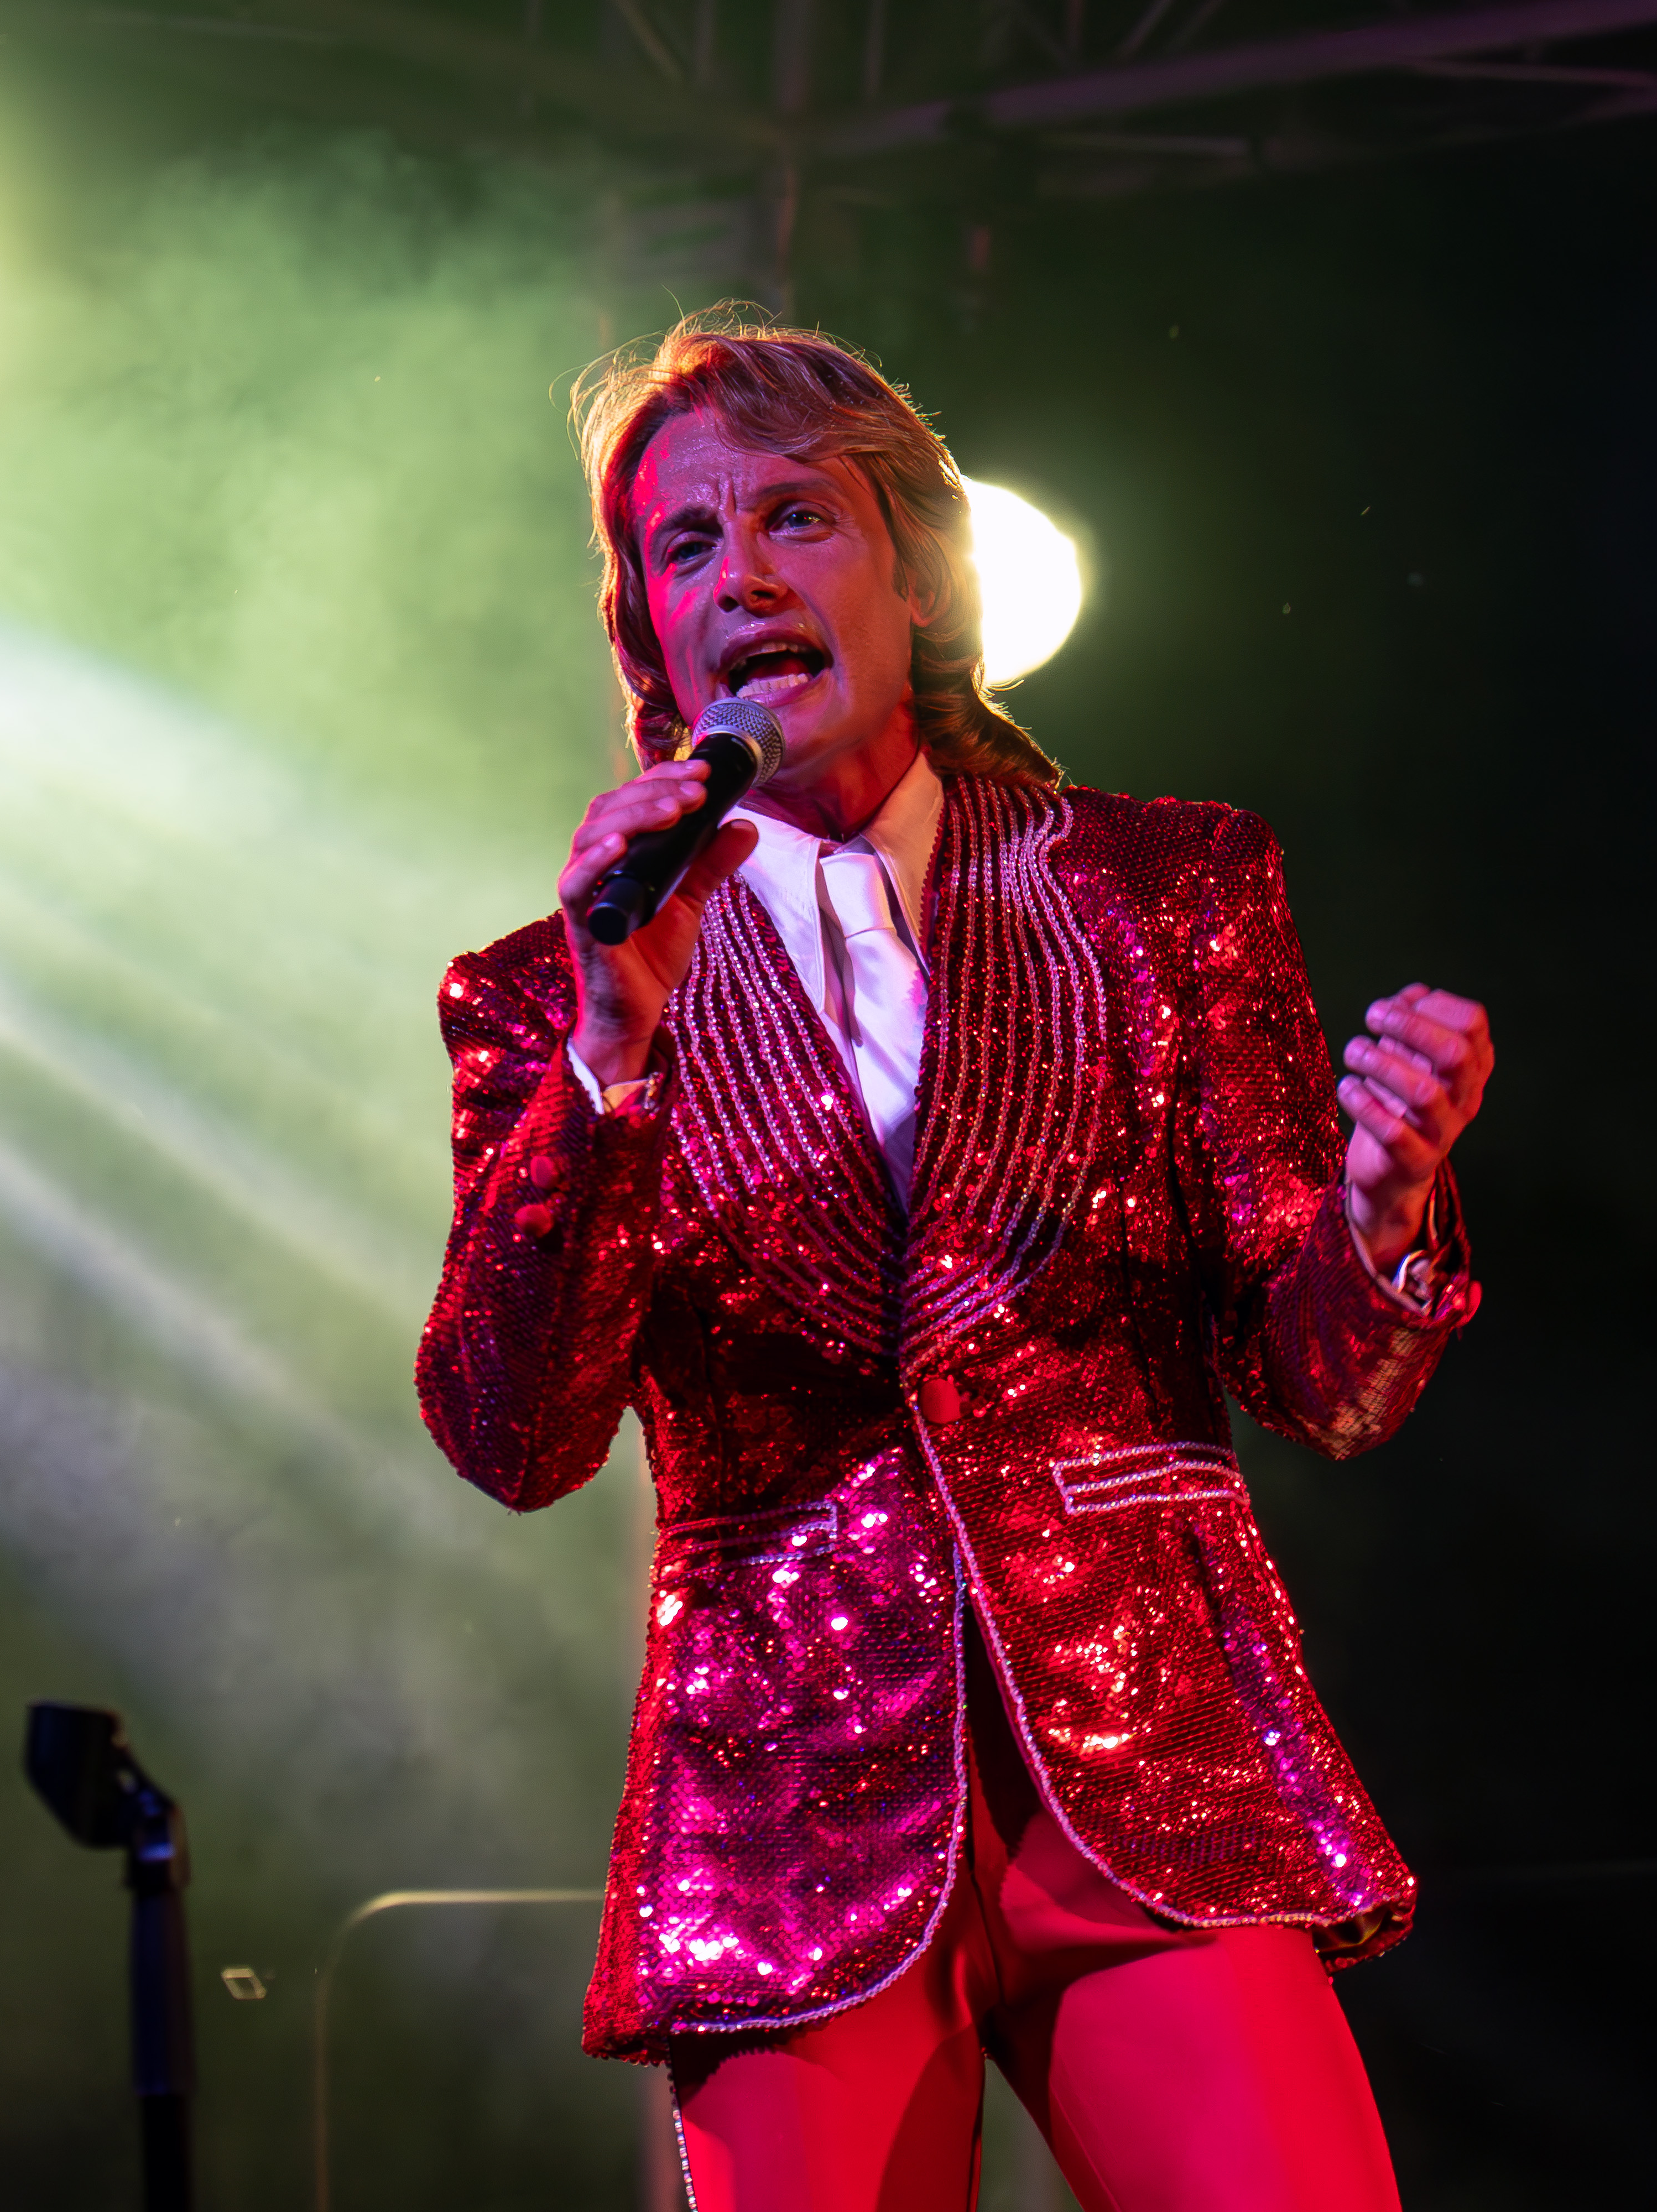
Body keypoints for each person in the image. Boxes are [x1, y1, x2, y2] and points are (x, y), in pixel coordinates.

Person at [413, 315, 1493, 2212]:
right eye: (685, 546)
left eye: (797, 518)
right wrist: (613, 1056)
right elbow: (516, 1434)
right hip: (789, 1807)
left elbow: (1317, 1382)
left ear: (916, 577)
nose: (741, 574)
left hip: (1147, 1765)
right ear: (650, 635)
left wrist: (1384, 1213)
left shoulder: (1163, 889)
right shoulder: (542, 995)